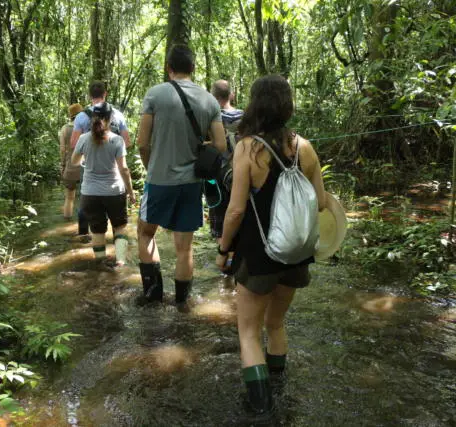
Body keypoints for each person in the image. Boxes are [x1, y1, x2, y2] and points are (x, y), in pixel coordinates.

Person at [215, 75, 327, 418]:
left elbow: (234, 211)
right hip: (296, 254)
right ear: (287, 105)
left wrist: (223, 251)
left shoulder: (248, 147)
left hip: (259, 254)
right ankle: (278, 387)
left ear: (255, 104)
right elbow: (320, 203)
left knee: (248, 332)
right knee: (275, 324)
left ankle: (261, 406)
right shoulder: (305, 147)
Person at [136, 44, 226, 307]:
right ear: (193, 68)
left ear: (168, 68)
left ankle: (152, 295)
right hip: (191, 183)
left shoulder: (155, 94)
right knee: (184, 248)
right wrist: (200, 149)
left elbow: (142, 142)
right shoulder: (209, 100)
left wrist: (151, 166)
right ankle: (182, 303)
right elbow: (220, 145)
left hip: (159, 180)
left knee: (145, 232)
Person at [70, 102, 135, 266]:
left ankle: (100, 265)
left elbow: (75, 161)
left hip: (90, 193)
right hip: (114, 191)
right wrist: (131, 191)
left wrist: (88, 157)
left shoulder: (84, 139)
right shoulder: (117, 140)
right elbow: (124, 169)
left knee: (97, 231)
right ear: (110, 118)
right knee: (119, 227)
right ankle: (120, 263)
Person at [208, 80, 244, 243]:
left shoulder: (211, 116)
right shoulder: (244, 116)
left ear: (212, 96)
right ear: (231, 95)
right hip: (241, 170)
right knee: (240, 213)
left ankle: (223, 258)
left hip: (215, 173)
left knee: (219, 220)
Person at [69, 81, 131, 150]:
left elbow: (73, 144)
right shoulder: (118, 115)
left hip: (89, 159)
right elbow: (127, 143)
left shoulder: (81, 117)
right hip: (112, 159)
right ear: (105, 94)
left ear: (90, 96)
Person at [60, 103, 84, 220]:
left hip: (70, 168)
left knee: (69, 198)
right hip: (86, 168)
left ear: (71, 116)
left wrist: (63, 166)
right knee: (86, 199)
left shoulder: (65, 129)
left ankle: (67, 223)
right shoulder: (87, 127)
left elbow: (62, 150)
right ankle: (85, 229)